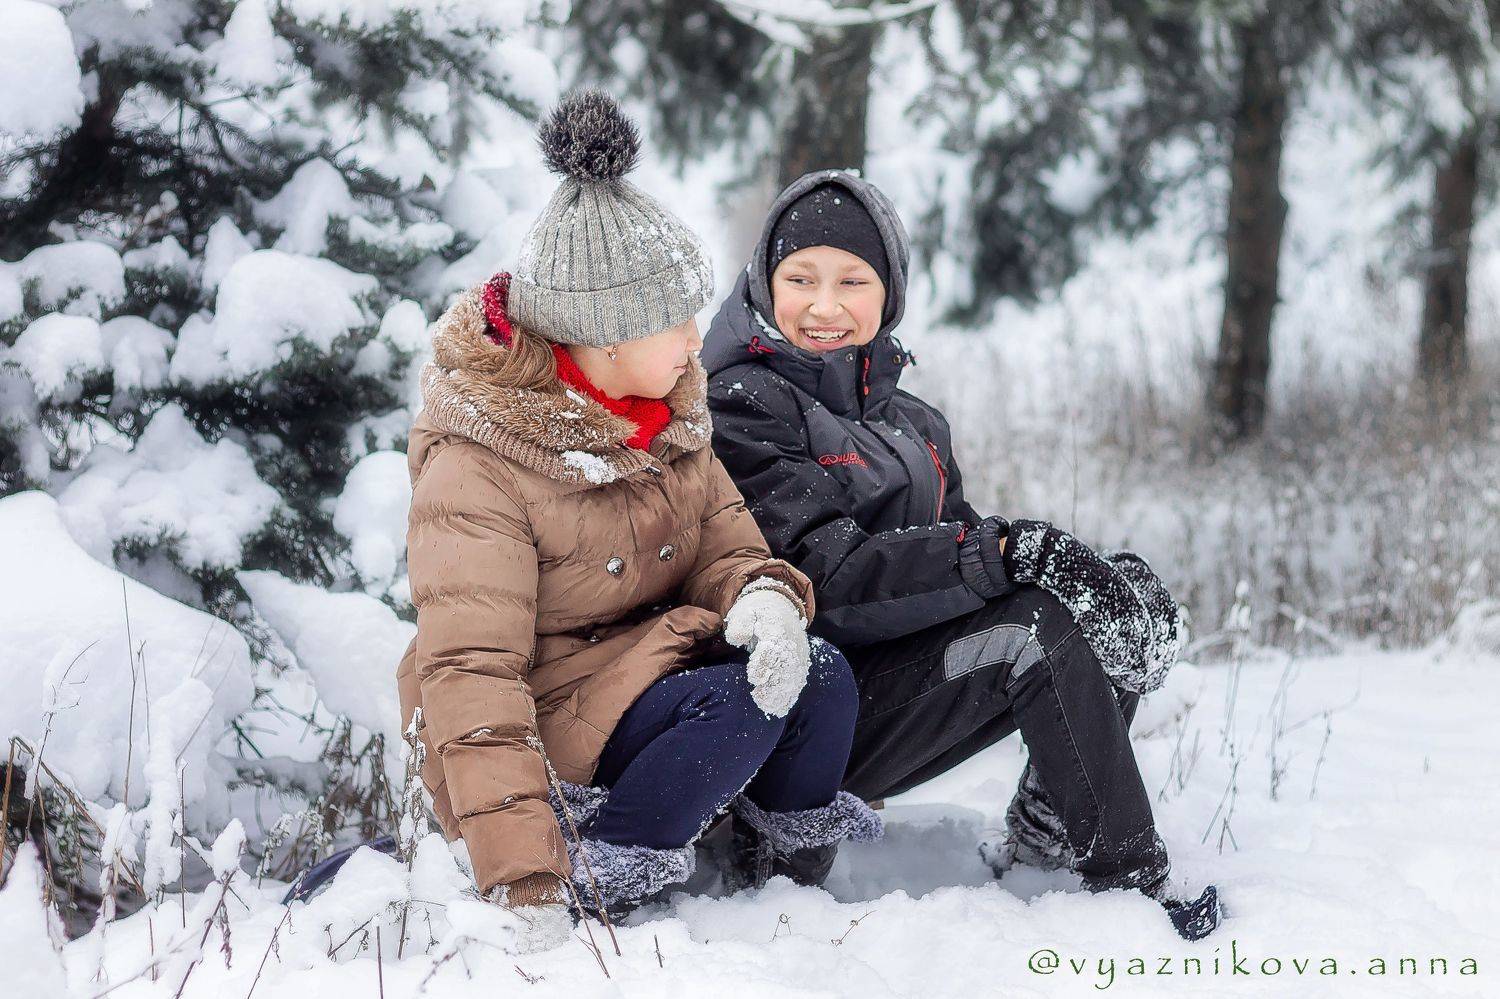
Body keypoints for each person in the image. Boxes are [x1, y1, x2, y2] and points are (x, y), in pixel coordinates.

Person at [394, 98, 881, 951]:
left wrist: (761, 596)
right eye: (674, 320)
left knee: (819, 672)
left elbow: (726, 539)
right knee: (736, 703)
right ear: (606, 335)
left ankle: (778, 891)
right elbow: (472, 678)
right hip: (543, 732)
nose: (697, 340)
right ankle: (600, 874)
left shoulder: (665, 413)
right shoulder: (480, 466)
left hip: (641, 677)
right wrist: (521, 876)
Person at [701, 169, 1221, 941]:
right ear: (763, 282)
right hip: (809, 709)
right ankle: (1132, 881)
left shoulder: (912, 420)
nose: (824, 304)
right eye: (800, 278)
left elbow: (955, 550)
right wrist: (1008, 553)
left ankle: (1047, 832)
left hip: (889, 686)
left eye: (852, 280)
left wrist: (1042, 560)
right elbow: (825, 576)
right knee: (1033, 627)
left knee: (1089, 596)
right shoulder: (744, 402)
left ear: (889, 292)